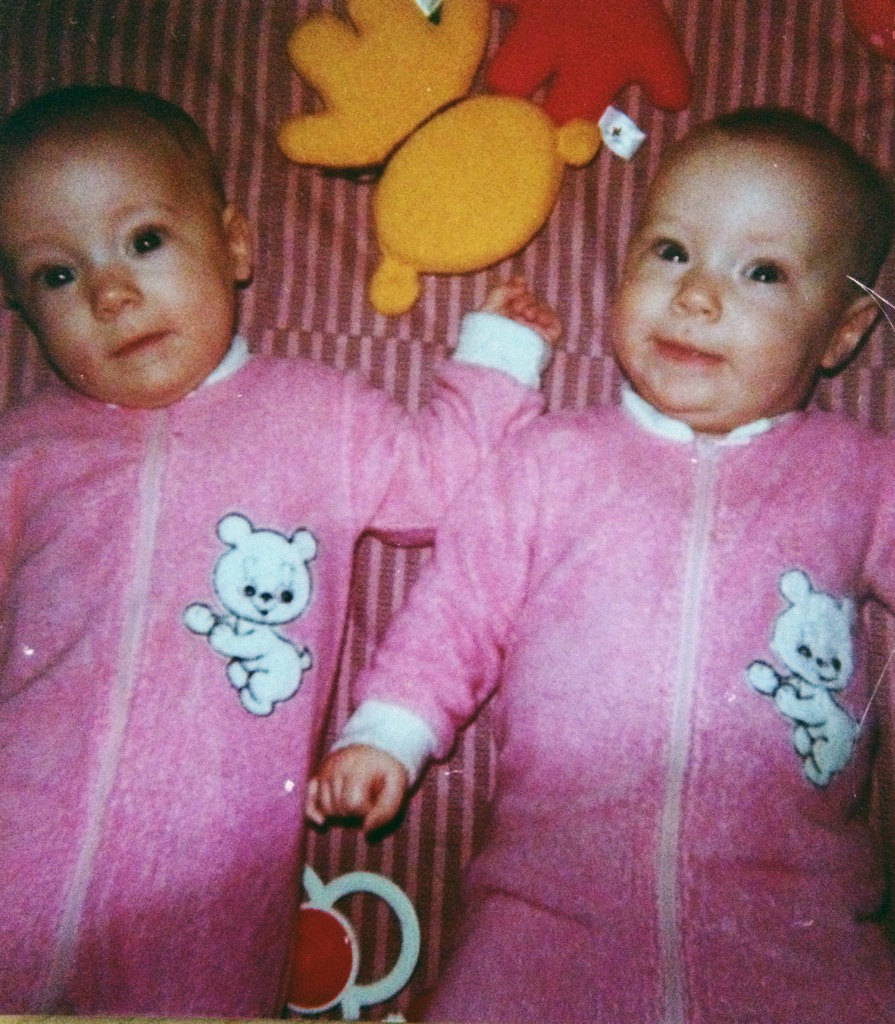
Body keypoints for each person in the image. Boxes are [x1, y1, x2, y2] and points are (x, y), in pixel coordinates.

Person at [307, 107, 895, 1023]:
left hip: (800, 922)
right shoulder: (552, 460)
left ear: (842, 334)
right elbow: (458, 610)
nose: (695, 295)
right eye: (670, 251)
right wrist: (388, 732)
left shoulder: (857, 474)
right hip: (545, 907)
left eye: (761, 272)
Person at [0, 83, 561, 1017]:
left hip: (204, 897)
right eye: (56, 275)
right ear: (21, 308)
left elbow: (437, 481)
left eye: (145, 240)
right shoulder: (29, 446)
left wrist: (498, 356)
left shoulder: (312, 414)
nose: (110, 292)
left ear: (234, 245)